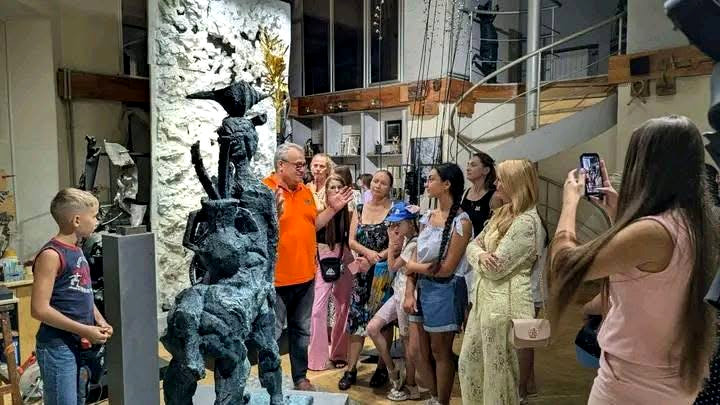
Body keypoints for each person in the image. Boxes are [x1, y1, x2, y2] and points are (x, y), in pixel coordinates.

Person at [550, 116, 717, 404]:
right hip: (671, 377)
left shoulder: (652, 232)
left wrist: (569, 203)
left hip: (632, 384)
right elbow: (651, 274)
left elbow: (564, 265)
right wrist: (619, 215)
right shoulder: (697, 223)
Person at [263, 143, 353, 391]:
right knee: (271, 335)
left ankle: (300, 377)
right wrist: (270, 215)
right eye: (299, 165)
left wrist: (333, 209)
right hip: (275, 280)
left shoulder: (304, 191)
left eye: (304, 164)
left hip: (305, 276)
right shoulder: (265, 190)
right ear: (281, 165)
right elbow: (254, 231)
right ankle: (269, 381)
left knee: (302, 332)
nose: (304, 169)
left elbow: (312, 225)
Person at [459, 159, 543, 405]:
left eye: (501, 179)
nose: (496, 183)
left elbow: (496, 268)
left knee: (499, 375)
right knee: (469, 365)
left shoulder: (527, 222)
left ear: (516, 183)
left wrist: (480, 256)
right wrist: (480, 255)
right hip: (484, 302)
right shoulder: (504, 213)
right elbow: (472, 246)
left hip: (504, 307)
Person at [31, 188, 114, 405]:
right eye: (94, 216)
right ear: (77, 220)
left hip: (80, 345)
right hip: (58, 347)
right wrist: (84, 330)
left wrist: (99, 320)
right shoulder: (51, 255)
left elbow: (83, 292)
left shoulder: (77, 251)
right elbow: (39, 309)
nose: (97, 221)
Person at [404, 163, 473, 405]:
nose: (426, 184)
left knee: (439, 350)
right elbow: (416, 257)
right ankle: (433, 395)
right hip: (422, 287)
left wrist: (413, 267)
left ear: (446, 184)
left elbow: (446, 269)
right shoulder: (427, 217)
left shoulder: (461, 222)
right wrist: (410, 289)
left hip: (445, 289)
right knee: (418, 350)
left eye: (431, 179)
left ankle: (442, 400)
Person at [339, 170, 394, 390]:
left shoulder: (394, 211)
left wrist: (377, 257)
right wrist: (368, 254)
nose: (378, 185)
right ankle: (351, 368)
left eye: (383, 183)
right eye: (375, 181)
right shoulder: (360, 209)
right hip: (361, 271)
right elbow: (351, 241)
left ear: (390, 187)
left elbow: (397, 243)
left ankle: (382, 368)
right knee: (356, 320)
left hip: (382, 273)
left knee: (383, 322)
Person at [366, 201, 421, 401]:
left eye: (399, 224)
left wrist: (391, 245)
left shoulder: (414, 243)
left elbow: (392, 266)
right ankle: (392, 370)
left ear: (410, 223)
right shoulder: (407, 241)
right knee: (372, 328)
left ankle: (411, 384)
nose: (395, 228)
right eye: (393, 224)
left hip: (407, 295)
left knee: (407, 342)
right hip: (397, 293)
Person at [307, 175, 354, 371]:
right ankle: (316, 358)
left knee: (344, 306)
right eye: (332, 187)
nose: (336, 190)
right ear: (325, 191)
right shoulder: (320, 211)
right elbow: (312, 231)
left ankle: (339, 353)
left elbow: (352, 240)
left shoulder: (349, 213)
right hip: (322, 257)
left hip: (345, 256)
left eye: (339, 187)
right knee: (317, 309)